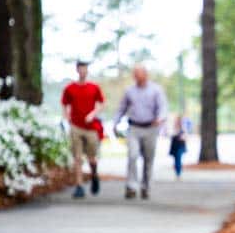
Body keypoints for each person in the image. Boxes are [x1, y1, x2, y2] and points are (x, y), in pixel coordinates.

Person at [113, 65, 168, 200]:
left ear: (145, 74)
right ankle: (131, 187)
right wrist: (115, 122)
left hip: (150, 127)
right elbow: (121, 108)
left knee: (148, 159)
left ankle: (146, 187)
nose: (136, 76)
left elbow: (163, 107)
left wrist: (159, 119)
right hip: (134, 128)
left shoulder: (156, 90)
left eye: (138, 73)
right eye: (134, 74)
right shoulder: (129, 91)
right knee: (132, 155)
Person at [61, 60, 105, 198]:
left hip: (91, 127)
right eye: (80, 69)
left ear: (87, 71)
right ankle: (79, 185)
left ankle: (94, 174)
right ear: (77, 70)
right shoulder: (70, 88)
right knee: (77, 158)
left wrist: (92, 115)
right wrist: (67, 116)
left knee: (92, 157)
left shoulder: (94, 87)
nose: (82, 71)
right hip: (76, 126)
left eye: (84, 69)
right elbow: (64, 104)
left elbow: (101, 104)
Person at [168, 114, 187, 179]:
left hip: (180, 145)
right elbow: (170, 135)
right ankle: (177, 172)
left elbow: (185, 136)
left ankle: (178, 173)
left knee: (179, 159)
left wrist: (182, 136)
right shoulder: (173, 128)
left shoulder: (183, 128)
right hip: (174, 145)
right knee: (176, 160)